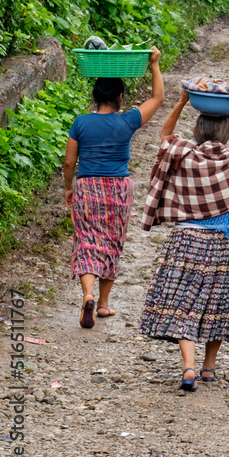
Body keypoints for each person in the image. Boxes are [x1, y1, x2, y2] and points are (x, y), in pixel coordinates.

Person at [139, 88, 229, 392]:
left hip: (187, 239)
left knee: (183, 302)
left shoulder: (183, 153)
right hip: (225, 243)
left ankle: (188, 366)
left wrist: (183, 101)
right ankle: (208, 369)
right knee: (218, 303)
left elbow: (165, 132)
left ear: (197, 130)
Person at [63, 47, 164, 329]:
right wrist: (154, 64)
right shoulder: (127, 120)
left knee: (86, 240)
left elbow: (70, 162)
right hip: (118, 189)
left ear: (95, 97)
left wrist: (69, 187)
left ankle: (88, 295)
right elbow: (158, 98)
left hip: (87, 186)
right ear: (120, 98)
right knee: (111, 242)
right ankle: (104, 304)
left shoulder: (80, 123)